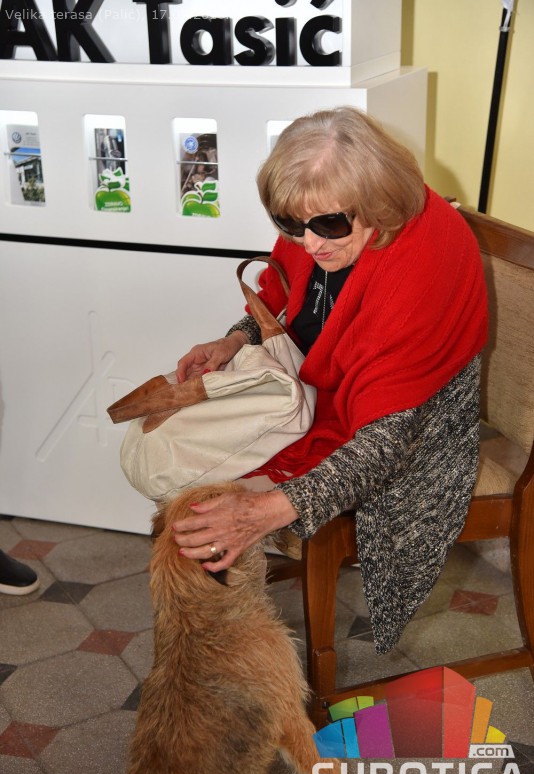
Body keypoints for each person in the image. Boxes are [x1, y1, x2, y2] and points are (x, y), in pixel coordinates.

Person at [173, 106, 488, 654]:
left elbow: (387, 443)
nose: (311, 244)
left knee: (205, 508)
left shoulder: (419, 270)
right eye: (291, 225)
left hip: (410, 431)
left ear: (378, 203)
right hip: (321, 398)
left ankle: (247, 669)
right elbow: (284, 299)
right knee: (189, 489)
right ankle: (224, 660)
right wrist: (234, 341)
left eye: (330, 226)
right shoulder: (322, 217)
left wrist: (266, 511)